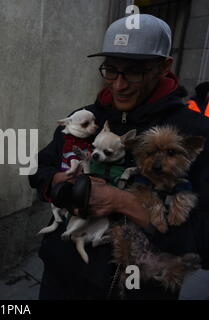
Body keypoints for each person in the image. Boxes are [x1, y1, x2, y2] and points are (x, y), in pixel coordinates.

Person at [29, 14, 209, 300]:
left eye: (134, 72)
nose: (118, 85)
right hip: (59, 279)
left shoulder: (196, 134)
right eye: (111, 70)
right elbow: (38, 167)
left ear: (164, 67)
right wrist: (56, 181)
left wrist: (124, 202)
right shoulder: (86, 117)